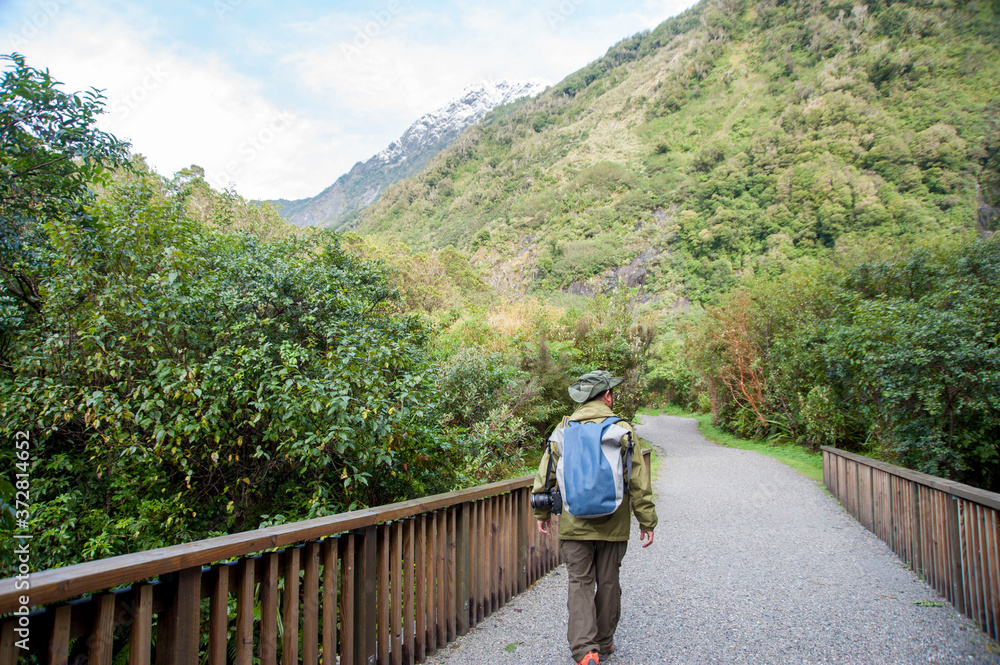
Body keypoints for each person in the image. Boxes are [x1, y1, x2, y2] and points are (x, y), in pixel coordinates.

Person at [532, 370, 657, 665]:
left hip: (574, 523)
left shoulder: (563, 430)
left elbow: (545, 475)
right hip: (613, 523)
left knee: (579, 582)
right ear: (606, 396)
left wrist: (542, 512)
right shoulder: (621, 429)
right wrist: (646, 520)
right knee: (609, 581)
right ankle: (604, 641)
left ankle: (585, 651)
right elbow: (638, 479)